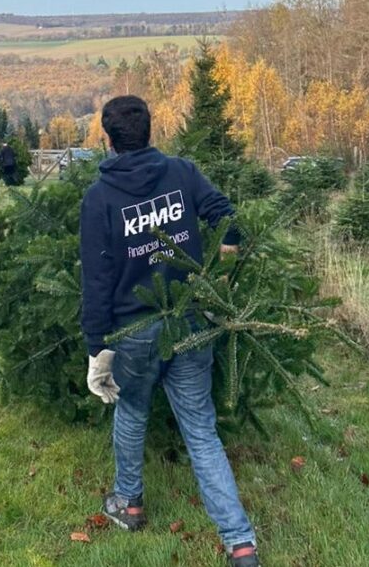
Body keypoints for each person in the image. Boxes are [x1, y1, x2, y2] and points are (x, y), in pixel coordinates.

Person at [79, 96, 259, 567]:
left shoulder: (100, 197)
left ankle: (129, 502)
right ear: (150, 132)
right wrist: (222, 269)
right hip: (190, 319)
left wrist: (98, 349)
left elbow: (96, 280)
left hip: (135, 328)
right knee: (201, 430)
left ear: (108, 140)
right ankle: (240, 543)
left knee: (132, 409)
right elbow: (227, 218)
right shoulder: (181, 172)